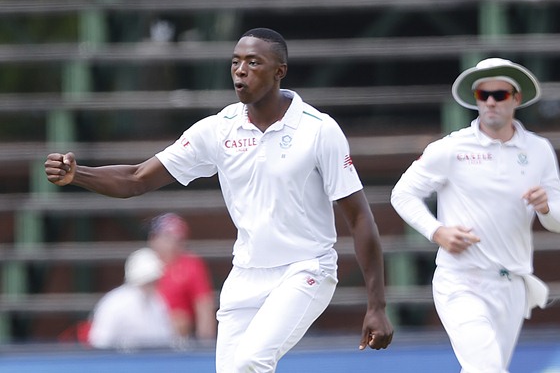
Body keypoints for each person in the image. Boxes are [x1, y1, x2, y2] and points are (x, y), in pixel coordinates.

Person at [45, 28, 393, 372]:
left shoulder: (319, 130)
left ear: (279, 71)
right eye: (236, 62)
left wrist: (376, 305)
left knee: (250, 363)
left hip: (305, 269)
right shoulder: (217, 129)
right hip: (245, 275)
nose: (241, 70)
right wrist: (79, 175)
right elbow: (137, 178)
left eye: (253, 62)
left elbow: (360, 218)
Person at [391, 58, 560, 373]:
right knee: (487, 368)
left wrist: (545, 206)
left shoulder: (539, 149)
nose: (490, 101)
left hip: (512, 283)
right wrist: (438, 232)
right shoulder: (451, 147)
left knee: (485, 369)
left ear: (516, 98)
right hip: (460, 280)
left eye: (499, 95)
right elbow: (402, 194)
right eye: (482, 94)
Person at [88, 247, 176, 350]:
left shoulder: (157, 301)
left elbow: (165, 338)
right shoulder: (114, 303)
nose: (153, 285)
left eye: (154, 281)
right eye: (149, 281)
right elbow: (99, 342)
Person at [147, 212, 217, 342]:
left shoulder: (191, 265)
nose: (153, 241)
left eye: (159, 237)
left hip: (176, 336)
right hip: (142, 330)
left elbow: (204, 306)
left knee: (179, 320)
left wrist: (205, 344)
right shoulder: (144, 262)